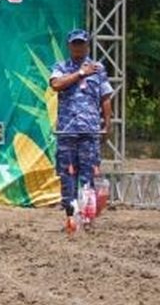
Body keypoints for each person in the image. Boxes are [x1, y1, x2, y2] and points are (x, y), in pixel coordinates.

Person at [48, 29, 113, 220]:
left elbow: (105, 96)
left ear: (87, 45)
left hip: (90, 130)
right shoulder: (61, 67)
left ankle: (87, 215)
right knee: (67, 175)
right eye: (75, 44)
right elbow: (56, 85)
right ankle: (70, 214)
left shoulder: (98, 68)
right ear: (69, 46)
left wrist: (107, 124)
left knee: (89, 175)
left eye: (81, 43)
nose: (78, 47)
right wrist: (80, 73)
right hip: (67, 130)